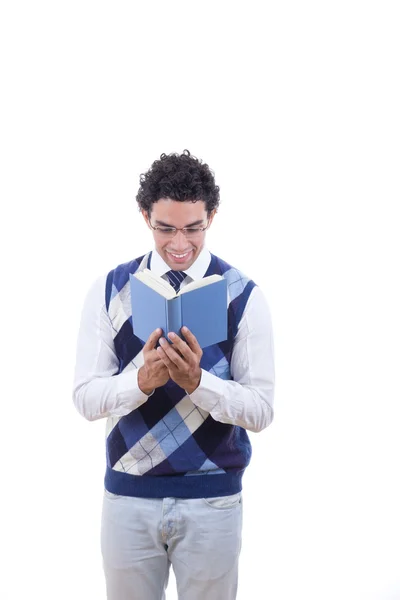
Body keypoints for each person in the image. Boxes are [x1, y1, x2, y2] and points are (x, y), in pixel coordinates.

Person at [73, 150, 275, 600]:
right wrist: (140, 382)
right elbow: (85, 397)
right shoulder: (111, 289)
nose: (179, 243)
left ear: (212, 217)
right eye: (165, 228)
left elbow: (261, 411)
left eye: (193, 228)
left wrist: (198, 383)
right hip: (128, 497)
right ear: (145, 216)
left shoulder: (244, 295)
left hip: (213, 499)